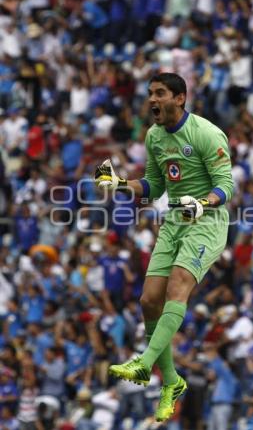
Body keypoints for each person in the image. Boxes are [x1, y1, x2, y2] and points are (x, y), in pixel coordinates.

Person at [94, 72, 233, 422]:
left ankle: (145, 361)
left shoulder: (205, 133)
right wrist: (119, 183)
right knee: (148, 300)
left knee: (176, 289)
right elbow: (154, 186)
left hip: (206, 221)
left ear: (180, 98)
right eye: (150, 93)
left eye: (160, 93)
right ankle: (171, 381)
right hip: (173, 221)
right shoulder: (154, 136)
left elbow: (226, 185)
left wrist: (204, 203)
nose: (152, 99)